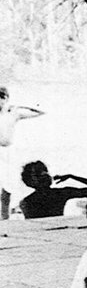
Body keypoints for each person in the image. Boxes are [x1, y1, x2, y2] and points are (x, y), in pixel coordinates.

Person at [0, 86, 45, 219]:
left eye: (2, 97)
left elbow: (41, 112)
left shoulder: (14, 113)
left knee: (7, 187)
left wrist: (20, 105)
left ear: (7, 99)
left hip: (8, 151)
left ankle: (4, 218)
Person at [17, 161, 87, 218]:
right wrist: (72, 177)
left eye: (45, 171)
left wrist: (72, 176)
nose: (45, 174)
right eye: (39, 173)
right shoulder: (61, 193)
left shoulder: (25, 202)